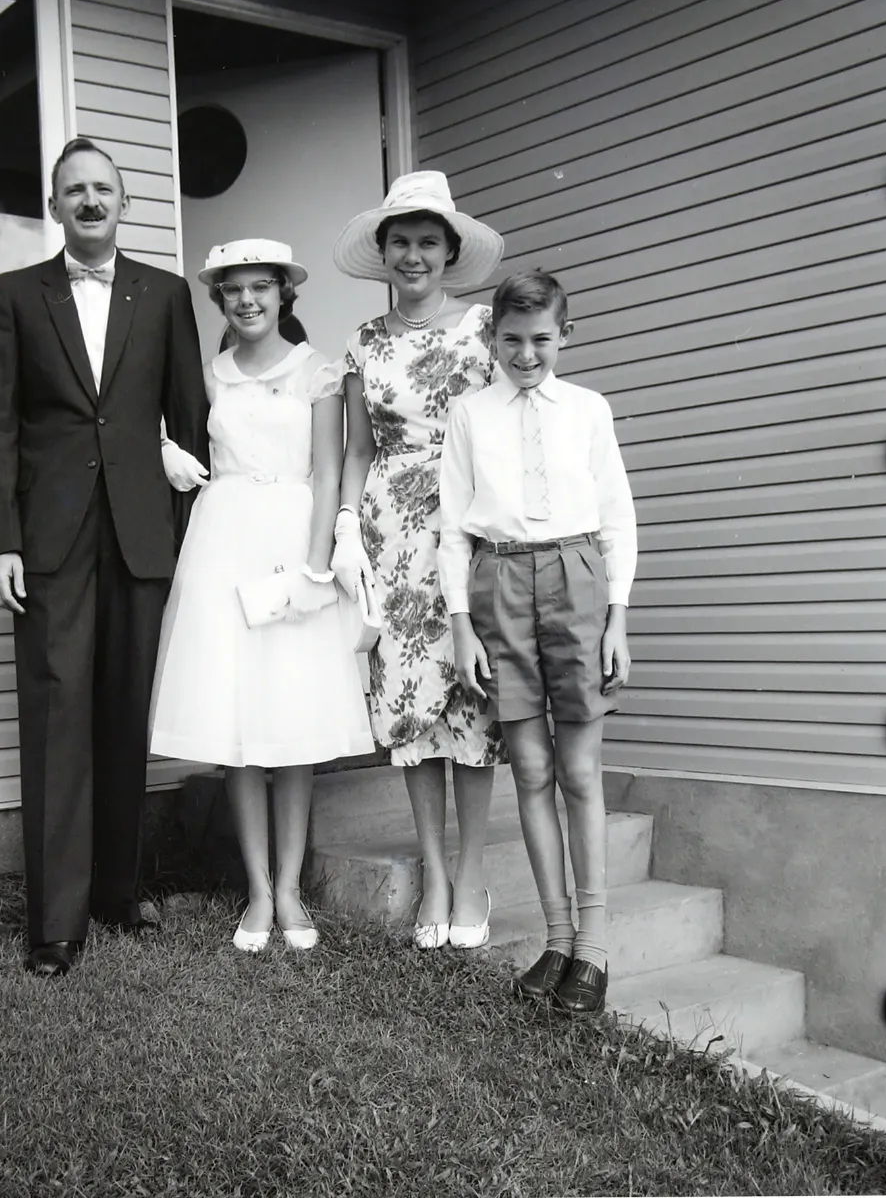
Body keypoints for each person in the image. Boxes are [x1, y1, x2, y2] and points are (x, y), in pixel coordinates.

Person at [0, 137, 211, 978]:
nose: (89, 201)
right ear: (54, 206)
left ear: (125, 202)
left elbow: (190, 421)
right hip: (50, 544)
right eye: (73, 190)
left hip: (142, 535)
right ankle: (56, 924)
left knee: (123, 714)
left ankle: (118, 893)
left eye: (102, 188)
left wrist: (184, 533)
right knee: (57, 715)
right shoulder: (14, 296)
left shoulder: (168, 295)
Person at [149, 239, 373, 953]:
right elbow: (155, 427)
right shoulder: (208, 375)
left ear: (283, 296)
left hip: (293, 543)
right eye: (233, 290)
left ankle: (293, 889)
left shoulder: (318, 371)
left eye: (260, 288)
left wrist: (313, 567)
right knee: (238, 728)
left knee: (295, 726)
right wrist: (162, 449)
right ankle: (257, 891)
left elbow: (332, 472)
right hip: (222, 546)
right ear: (219, 300)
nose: (247, 301)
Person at [438, 269, 637, 1015]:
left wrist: (616, 616)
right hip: (500, 582)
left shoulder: (588, 410)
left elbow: (618, 516)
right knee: (528, 767)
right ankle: (556, 940)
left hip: (579, 579)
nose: (526, 354)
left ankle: (595, 947)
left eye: (541, 339)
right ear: (492, 338)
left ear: (565, 335)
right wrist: (462, 624)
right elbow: (453, 527)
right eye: (512, 340)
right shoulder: (470, 412)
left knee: (579, 773)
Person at [327, 171, 508, 951]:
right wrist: (344, 525)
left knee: (470, 702)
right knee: (408, 702)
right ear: (383, 251)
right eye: (400, 241)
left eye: (427, 241)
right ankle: (433, 872)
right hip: (391, 530)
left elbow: (504, 428)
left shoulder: (483, 330)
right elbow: (358, 449)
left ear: (449, 251)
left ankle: (471, 874)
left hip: (467, 523)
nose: (413, 254)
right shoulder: (363, 341)